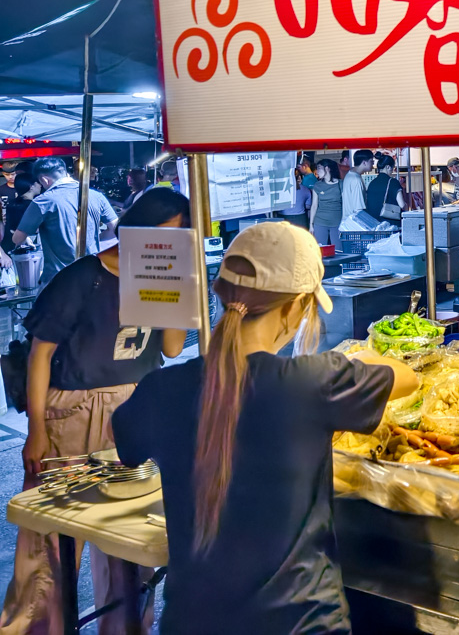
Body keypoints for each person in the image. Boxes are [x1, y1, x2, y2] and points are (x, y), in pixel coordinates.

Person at [112, 224, 417, 634]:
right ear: (294, 309)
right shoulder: (313, 381)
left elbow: (123, 440)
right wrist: (361, 356)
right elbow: (406, 377)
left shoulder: (163, 389)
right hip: (300, 620)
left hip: (192, 621)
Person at [0, 189, 192, 635]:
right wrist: (35, 431)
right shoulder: (84, 277)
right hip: (71, 412)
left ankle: (127, 628)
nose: (171, 243)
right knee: (50, 540)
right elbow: (40, 355)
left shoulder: (162, 277)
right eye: (166, 233)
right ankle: (33, 628)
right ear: (136, 228)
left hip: (135, 410)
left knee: (128, 538)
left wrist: (177, 288)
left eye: (180, 236)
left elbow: (172, 347)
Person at [12, 157, 119, 284]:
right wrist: (93, 237)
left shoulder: (43, 201)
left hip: (59, 280)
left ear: (44, 179)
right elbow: (117, 229)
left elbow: (17, 239)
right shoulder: (96, 196)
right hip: (92, 274)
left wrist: (27, 239)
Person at [0, 173, 40, 259]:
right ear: (31, 186)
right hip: (25, 249)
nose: (40, 185)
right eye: (37, 183)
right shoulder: (33, 206)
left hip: (8, 246)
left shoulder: (12, 204)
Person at [309, 159, 343, 251]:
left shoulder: (341, 184)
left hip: (337, 222)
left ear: (327, 168)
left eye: (319, 168)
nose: (317, 171)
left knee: (338, 249)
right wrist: (311, 225)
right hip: (320, 221)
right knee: (320, 250)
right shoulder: (317, 185)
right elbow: (314, 205)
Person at [365, 154, 404, 222]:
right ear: (388, 167)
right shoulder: (393, 182)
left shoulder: (371, 183)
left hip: (374, 223)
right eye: (393, 168)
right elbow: (402, 205)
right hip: (390, 224)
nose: (393, 170)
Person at [339, 150, 372, 223]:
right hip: (354, 224)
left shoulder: (349, 174)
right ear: (364, 162)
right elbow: (359, 209)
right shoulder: (356, 179)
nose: (373, 163)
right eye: (371, 161)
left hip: (348, 222)